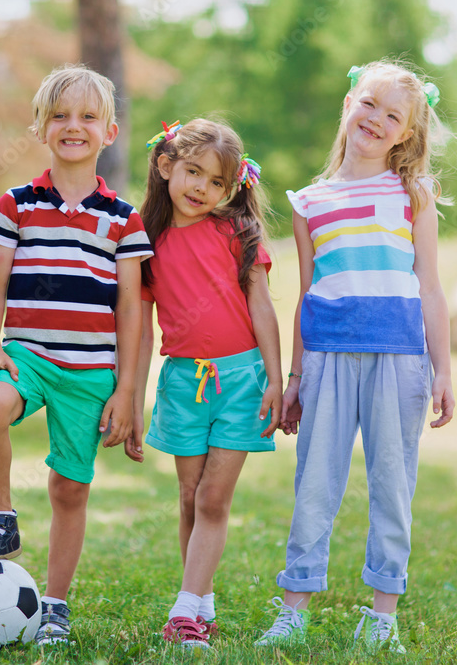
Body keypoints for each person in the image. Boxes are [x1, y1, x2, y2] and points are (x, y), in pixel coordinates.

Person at [0, 64, 152, 646]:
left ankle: (55, 604)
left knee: (69, 489)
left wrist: (128, 390)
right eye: (59, 115)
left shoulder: (124, 219)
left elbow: (131, 310)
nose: (73, 126)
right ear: (40, 127)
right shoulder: (17, 204)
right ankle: (0, 519)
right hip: (27, 356)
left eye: (88, 117)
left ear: (109, 132)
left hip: (91, 374)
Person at [256, 60, 456, 654]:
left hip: (400, 357)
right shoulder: (309, 201)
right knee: (315, 483)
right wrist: (294, 376)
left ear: (405, 135)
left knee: (393, 484)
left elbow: (431, 287)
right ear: (348, 104)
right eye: (369, 103)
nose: (376, 119)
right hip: (326, 357)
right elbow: (305, 291)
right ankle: (294, 607)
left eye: (392, 116)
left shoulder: (412, 194)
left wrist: (444, 369)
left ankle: (383, 612)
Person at [129, 118, 282, 649]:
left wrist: (276, 379)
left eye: (217, 182)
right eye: (193, 172)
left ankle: (184, 611)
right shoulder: (145, 241)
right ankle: (203, 602)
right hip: (181, 382)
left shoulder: (237, 234)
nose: (201, 189)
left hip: (242, 379)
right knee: (191, 498)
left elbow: (261, 306)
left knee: (215, 498)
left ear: (231, 189)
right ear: (166, 165)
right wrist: (134, 399)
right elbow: (143, 331)